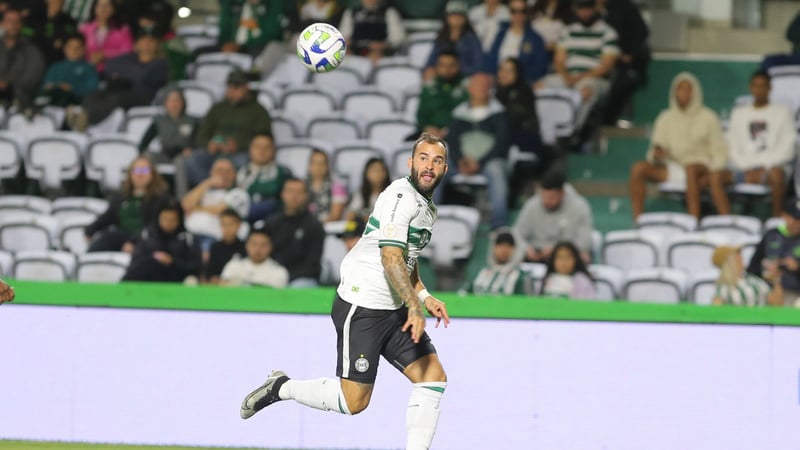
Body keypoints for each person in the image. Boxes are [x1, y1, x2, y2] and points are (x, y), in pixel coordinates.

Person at [239, 133, 451, 450]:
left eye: (437, 160)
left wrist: (423, 296)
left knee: (432, 376)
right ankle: (281, 387)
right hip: (363, 304)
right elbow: (390, 257)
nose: (429, 166)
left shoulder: (427, 208)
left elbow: (408, 257)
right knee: (354, 402)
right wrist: (413, 305)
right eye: (423, 158)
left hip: (394, 307)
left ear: (445, 169)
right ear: (410, 162)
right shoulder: (401, 197)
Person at [628, 72, 728, 219]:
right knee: (638, 168)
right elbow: (655, 149)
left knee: (691, 169)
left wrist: (711, 170)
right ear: (674, 92)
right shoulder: (665, 118)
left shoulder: (709, 117)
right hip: (674, 166)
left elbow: (719, 152)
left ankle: (693, 221)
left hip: (702, 168)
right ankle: (639, 221)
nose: (684, 94)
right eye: (680, 89)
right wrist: (657, 154)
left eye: (688, 89)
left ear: (696, 92)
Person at [710, 71, 796, 218]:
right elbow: (732, 146)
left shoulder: (783, 112)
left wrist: (763, 166)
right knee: (715, 177)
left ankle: (776, 220)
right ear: (750, 88)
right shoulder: (739, 113)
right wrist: (747, 169)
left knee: (777, 176)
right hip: (742, 170)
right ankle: (727, 220)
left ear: (770, 88)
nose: (759, 90)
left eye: (763, 86)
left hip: (769, 171)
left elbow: (788, 147)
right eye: (756, 86)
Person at [439, 73, 511, 230]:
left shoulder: (499, 113)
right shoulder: (459, 113)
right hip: (462, 161)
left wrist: (480, 162)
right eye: (478, 85)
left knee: (497, 171)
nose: (483, 89)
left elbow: (502, 143)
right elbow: (452, 141)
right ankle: (428, 220)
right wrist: (460, 160)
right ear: (470, 89)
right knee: (436, 168)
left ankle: (499, 226)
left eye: (486, 86)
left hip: (489, 160)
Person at [184, 70, 272, 193]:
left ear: (245, 88)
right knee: (191, 161)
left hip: (242, 152)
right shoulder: (217, 108)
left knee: (242, 163)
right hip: (215, 151)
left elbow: (264, 139)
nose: (233, 90)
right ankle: (208, 190)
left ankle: (232, 193)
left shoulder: (258, 111)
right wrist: (209, 144)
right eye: (230, 87)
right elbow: (202, 134)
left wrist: (238, 146)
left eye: (237, 87)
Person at [537, 0, 619, 132]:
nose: (584, 12)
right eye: (581, 8)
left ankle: (571, 131)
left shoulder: (608, 33)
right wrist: (567, 77)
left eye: (588, 8)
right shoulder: (567, 31)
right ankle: (545, 130)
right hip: (567, 76)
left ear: (595, 9)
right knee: (540, 87)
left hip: (594, 78)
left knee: (584, 90)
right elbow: (559, 61)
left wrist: (579, 77)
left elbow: (607, 66)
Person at [81, 32, 169, 127]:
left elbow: (141, 77)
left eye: (151, 41)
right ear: (136, 44)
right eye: (143, 40)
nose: (146, 43)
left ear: (157, 44)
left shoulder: (161, 63)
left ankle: (87, 120)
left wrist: (122, 73)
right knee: (93, 95)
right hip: (121, 90)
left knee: (117, 99)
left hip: (143, 95)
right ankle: (82, 117)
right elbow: (109, 67)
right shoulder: (129, 58)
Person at [85, 156, 171, 253]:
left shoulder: (160, 199)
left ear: (152, 174)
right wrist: (90, 230)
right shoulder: (121, 197)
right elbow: (108, 216)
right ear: (130, 174)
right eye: (137, 170)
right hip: (122, 236)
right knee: (106, 237)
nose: (140, 174)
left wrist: (133, 241)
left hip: (146, 238)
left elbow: (154, 226)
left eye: (145, 170)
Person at [513, 168, 593, 263]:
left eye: (552, 197)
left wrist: (557, 250)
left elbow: (584, 241)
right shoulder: (532, 205)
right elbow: (517, 233)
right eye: (544, 196)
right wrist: (526, 248)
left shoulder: (580, 206)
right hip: (538, 255)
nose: (547, 201)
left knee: (583, 256)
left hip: (567, 255)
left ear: (562, 193)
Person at [262, 178, 325, 287]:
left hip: (302, 278)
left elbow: (312, 264)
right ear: (282, 194)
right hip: (272, 274)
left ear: (306, 196)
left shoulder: (314, 226)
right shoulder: (271, 222)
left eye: (299, 192)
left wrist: (285, 277)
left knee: (299, 286)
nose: (294, 196)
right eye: (290, 191)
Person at [596, 0, 650, 126]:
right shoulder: (588, 9)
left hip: (624, 61)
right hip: (595, 61)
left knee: (621, 81)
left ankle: (608, 120)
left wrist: (630, 54)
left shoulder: (625, 6)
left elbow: (642, 31)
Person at [122, 199, 202, 283]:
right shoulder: (147, 234)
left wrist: (172, 262)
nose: (168, 223)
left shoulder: (188, 239)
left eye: (172, 220)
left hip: (175, 277)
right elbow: (136, 261)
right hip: (149, 277)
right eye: (165, 219)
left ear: (179, 220)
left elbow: (196, 267)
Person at [182, 158, 251, 249]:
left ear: (234, 174)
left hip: (217, 240)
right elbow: (185, 204)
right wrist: (207, 183)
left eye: (227, 171)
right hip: (190, 236)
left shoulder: (239, 193)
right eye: (219, 170)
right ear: (211, 173)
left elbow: (220, 210)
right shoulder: (203, 191)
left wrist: (194, 208)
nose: (223, 174)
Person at [746, 198, 800, 306]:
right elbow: (752, 268)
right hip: (766, 290)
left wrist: (797, 268)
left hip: (795, 293)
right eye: (796, 219)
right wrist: (764, 268)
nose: (798, 223)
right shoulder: (771, 235)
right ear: (784, 216)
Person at [495, 57, 544, 174]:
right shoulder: (495, 92)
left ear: (517, 73)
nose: (504, 74)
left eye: (509, 71)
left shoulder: (524, 92)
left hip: (523, 138)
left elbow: (514, 118)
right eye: (502, 70)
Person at [484, 0, 548, 87]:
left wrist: (516, 77)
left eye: (522, 11)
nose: (518, 15)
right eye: (514, 11)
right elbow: (489, 57)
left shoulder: (535, 39)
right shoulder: (498, 31)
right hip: (495, 80)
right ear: (509, 12)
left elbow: (539, 67)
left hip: (521, 83)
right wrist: (493, 75)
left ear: (527, 13)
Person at [236, 133, 293, 223]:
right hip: (239, 219)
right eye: (257, 147)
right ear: (250, 149)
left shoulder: (282, 173)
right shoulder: (239, 170)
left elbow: (283, 196)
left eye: (266, 148)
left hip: (272, 218)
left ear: (273, 151)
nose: (261, 151)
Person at [423, 1, 483, 81]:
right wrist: (434, 69)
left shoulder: (471, 39)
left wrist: (456, 70)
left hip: (464, 78)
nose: (456, 19)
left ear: (465, 18)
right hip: (442, 76)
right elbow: (431, 61)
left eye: (459, 16)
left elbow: (478, 65)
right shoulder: (441, 38)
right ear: (447, 18)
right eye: (453, 15)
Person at [416, 50, 468, 139]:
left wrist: (449, 129)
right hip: (430, 133)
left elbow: (468, 113)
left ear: (458, 66)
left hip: (459, 134)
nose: (447, 69)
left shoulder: (467, 87)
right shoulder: (429, 87)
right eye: (443, 65)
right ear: (437, 67)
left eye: (451, 65)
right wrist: (427, 128)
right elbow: (421, 115)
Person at [36, 34, 99, 108]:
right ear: (64, 49)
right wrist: (57, 86)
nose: (74, 51)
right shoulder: (56, 66)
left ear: (83, 49)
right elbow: (47, 85)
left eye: (78, 48)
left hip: (74, 102)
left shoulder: (88, 68)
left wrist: (72, 88)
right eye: (70, 47)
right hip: (52, 99)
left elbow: (92, 90)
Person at [0, 9, 46, 109]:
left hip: (18, 101)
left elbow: (33, 77)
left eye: (17, 22)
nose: (13, 25)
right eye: (9, 21)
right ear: (2, 23)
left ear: (22, 25)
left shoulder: (32, 50)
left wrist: (9, 85)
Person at [460, 229, 526, 296]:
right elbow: (463, 293)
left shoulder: (518, 276)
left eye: (509, 246)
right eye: (500, 245)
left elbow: (523, 300)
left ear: (515, 249)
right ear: (493, 247)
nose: (504, 250)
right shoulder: (481, 271)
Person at [712, 245, 782, 307]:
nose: (741, 257)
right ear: (729, 262)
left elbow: (776, 304)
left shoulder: (753, 279)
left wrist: (776, 280)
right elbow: (716, 310)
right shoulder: (723, 287)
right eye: (737, 255)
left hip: (761, 317)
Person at [338, 0, 406, 62]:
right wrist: (347, 45)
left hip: (380, 52)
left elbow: (397, 38)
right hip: (355, 50)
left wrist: (384, 45)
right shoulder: (352, 12)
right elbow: (344, 35)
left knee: (375, 58)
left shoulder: (389, 12)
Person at [220, 228, 289, 288]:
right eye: (254, 244)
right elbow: (223, 288)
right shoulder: (234, 265)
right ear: (247, 245)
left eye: (263, 245)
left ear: (271, 247)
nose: (258, 249)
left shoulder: (279, 271)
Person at [79, 0, 133, 73]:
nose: (103, 8)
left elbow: (127, 53)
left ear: (114, 9)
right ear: (94, 8)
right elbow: (77, 50)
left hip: (114, 72)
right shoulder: (84, 28)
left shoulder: (123, 30)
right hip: (87, 70)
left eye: (108, 5)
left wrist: (105, 54)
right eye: (100, 5)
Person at [217, 0, 284, 57]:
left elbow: (271, 33)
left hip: (258, 49)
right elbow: (224, 27)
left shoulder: (273, 4)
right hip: (230, 47)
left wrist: (239, 46)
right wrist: (226, 43)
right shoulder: (235, 4)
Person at [203, 208, 246, 284]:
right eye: (224, 224)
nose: (227, 228)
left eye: (231, 224)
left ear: (239, 225)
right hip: (218, 285)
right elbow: (209, 271)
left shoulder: (245, 247)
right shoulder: (215, 247)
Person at [30, 0, 78, 66]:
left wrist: (62, 41)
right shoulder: (35, 18)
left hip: (60, 59)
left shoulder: (69, 21)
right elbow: (29, 38)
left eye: (60, 1)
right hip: (36, 56)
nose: (57, 3)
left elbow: (71, 38)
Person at [306, 148, 348, 223]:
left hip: (328, 228)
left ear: (328, 166)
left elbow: (335, 216)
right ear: (309, 166)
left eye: (321, 163)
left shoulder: (338, 187)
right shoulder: (301, 187)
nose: (318, 167)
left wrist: (314, 226)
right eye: (315, 163)